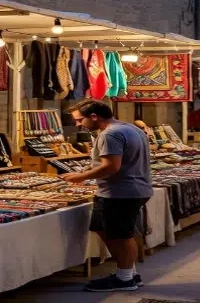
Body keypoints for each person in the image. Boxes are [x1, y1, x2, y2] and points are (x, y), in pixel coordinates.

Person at [60, 100, 153, 292]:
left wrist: (81, 177)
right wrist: (91, 168)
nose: (78, 124)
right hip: (129, 189)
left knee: (120, 235)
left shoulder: (110, 133)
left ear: (94, 116)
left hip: (121, 192)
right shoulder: (129, 128)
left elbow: (112, 166)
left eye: (80, 120)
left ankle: (125, 279)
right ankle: (129, 273)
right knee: (105, 229)